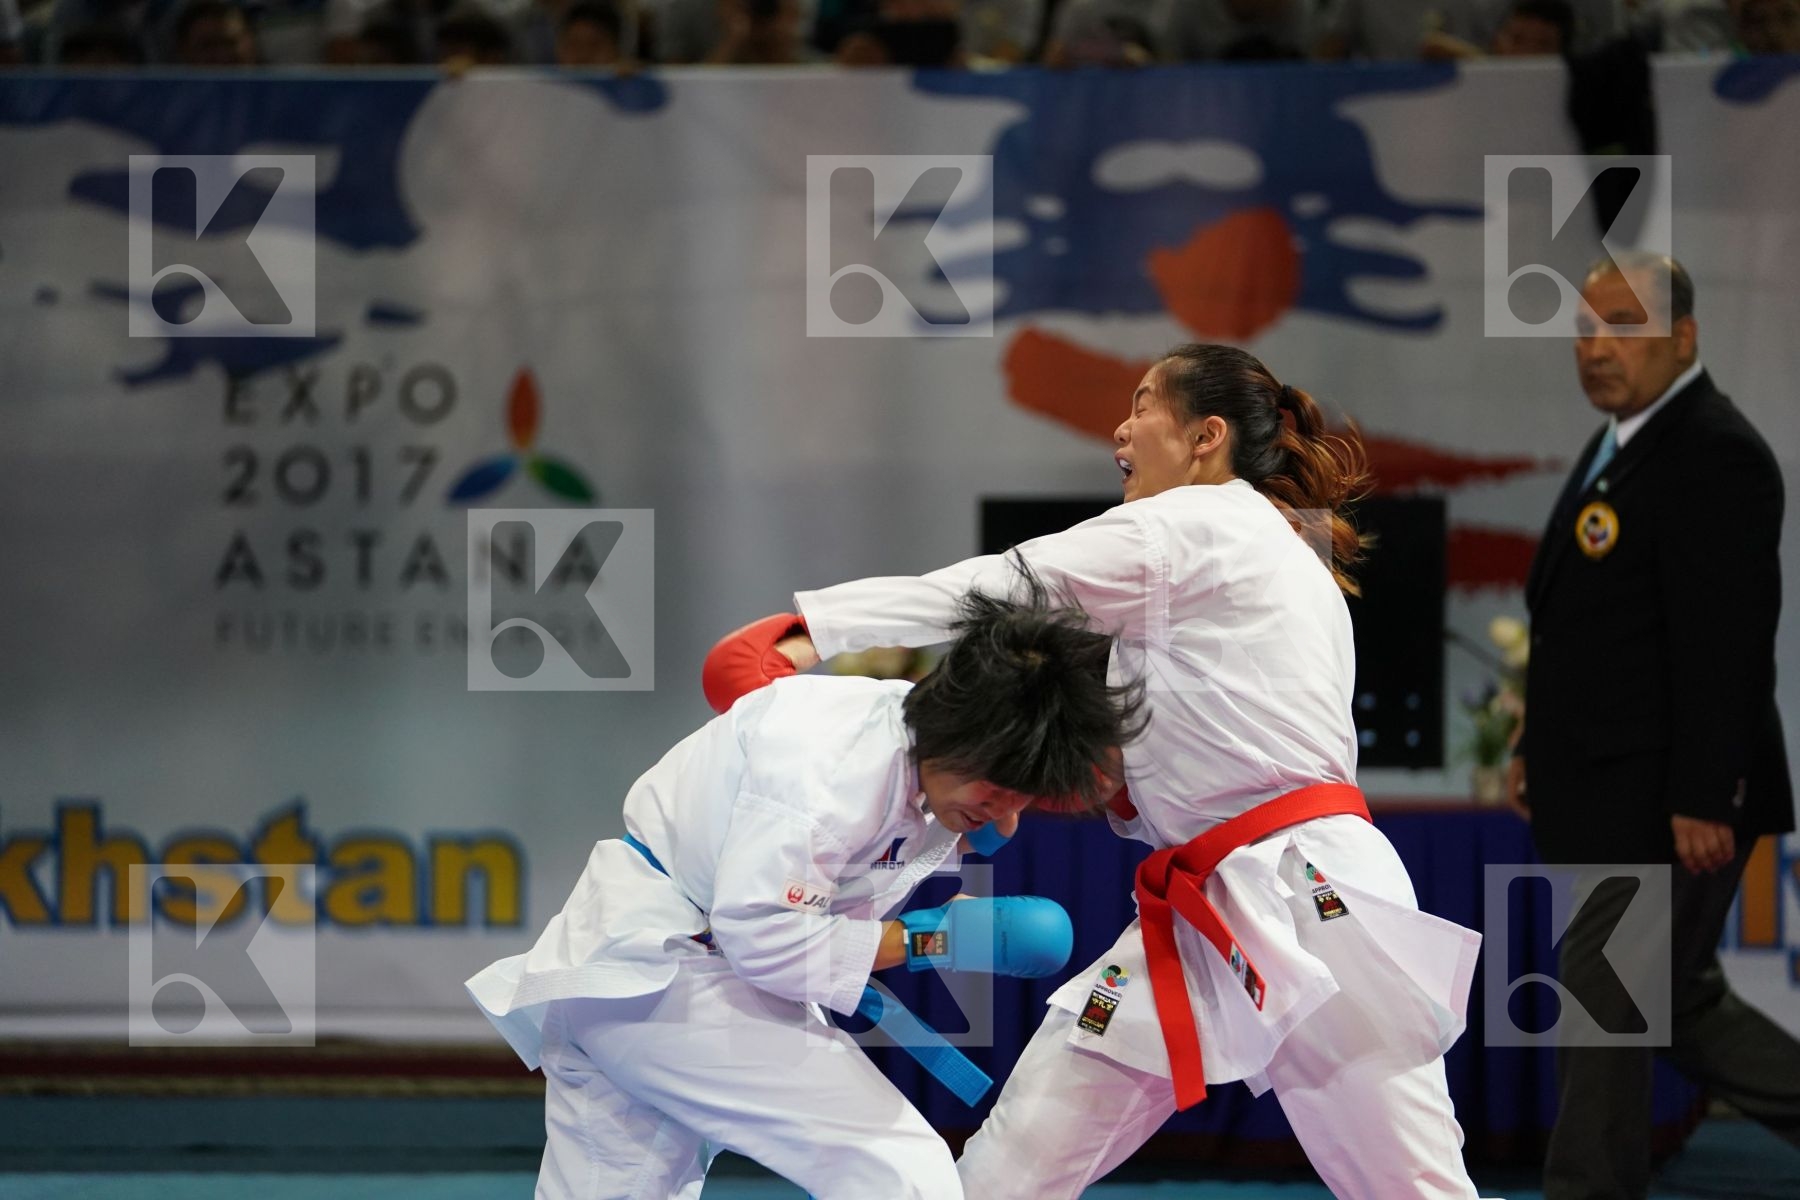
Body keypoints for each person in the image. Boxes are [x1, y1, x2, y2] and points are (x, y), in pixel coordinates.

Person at [727, 343, 1488, 1198]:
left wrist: (812, 630)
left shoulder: (1196, 524)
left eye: (1142, 404)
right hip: (1201, 906)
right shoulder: (1268, 543)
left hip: (1307, 899)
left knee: (1412, 1187)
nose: (1120, 429)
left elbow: (1008, 586)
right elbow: (1209, 732)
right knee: (1014, 1162)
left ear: (1205, 436)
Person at [467, 575, 1147, 1200]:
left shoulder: (921, 758)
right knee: (900, 1170)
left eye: (1022, 801)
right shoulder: (830, 772)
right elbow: (764, 940)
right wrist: (930, 937)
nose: (1006, 818)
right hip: (666, 969)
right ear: (958, 735)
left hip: (634, 977)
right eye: (997, 792)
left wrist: (970, 826)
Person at [1508, 252, 1800, 1200]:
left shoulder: (1714, 450)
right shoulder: (1623, 445)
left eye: (1623, 328)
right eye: (1585, 329)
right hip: (1605, 790)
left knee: (1602, 1000)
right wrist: (1529, 745)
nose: (1597, 349)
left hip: (1665, 801)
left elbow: (1725, 644)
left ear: (1684, 338)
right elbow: (1590, 633)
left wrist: (1705, 795)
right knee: (1666, 1003)